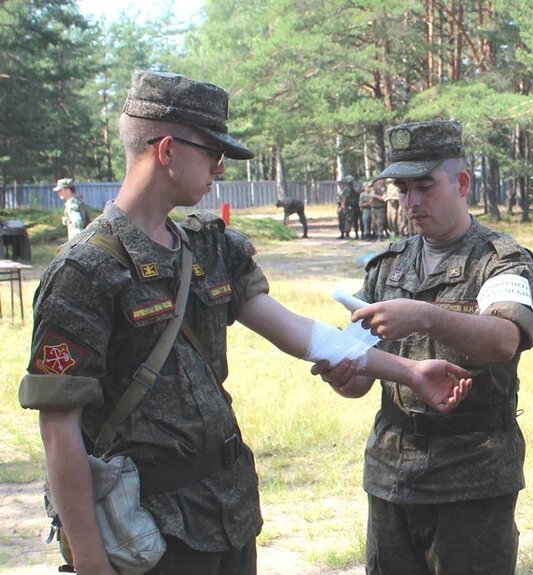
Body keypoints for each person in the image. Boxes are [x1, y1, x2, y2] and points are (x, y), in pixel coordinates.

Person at [19, 70, 472, 575]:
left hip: (226, 513)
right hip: (146, 531)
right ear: (166, 150)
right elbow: (59, 431)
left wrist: (407, 372)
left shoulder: (211, 248)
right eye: (212, 152)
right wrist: (90, 563)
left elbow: (298, 333)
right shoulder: (84, 272)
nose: (219, 167)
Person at [317, 120, 533, 575]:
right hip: (391, 471)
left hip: (473, 474)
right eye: (402, 188)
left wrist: (423, 315)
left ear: (461, 183)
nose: (411, 201)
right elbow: (361, 381)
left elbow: (505, 339)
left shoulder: (500, 260)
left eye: (425, 185)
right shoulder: (389, 265)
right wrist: (344, 374)